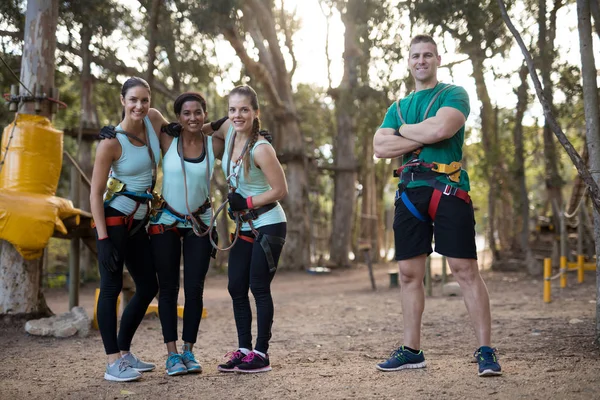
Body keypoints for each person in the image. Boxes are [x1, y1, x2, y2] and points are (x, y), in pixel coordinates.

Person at [372, 35, 502, 377]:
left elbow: (444, 127)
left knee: (464, 271)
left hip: (448, 189)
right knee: (408, 274)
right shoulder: (396, 107)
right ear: (409, 61)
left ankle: (485, 350)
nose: (421, 60)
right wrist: (421, 133)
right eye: (415, 55)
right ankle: (412, 350)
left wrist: (401, 133)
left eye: (427, 55)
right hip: (409, 194)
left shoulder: (453, 94)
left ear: (438, 59)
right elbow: (380, 146)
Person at [211, 85, 288, 374]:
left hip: (269, 223)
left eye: (244, 109)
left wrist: (248, 200)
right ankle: (243, 349)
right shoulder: (229, 131)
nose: (237, 115)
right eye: (232, 109)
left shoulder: (261, 148)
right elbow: (206, 126)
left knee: (258, 286)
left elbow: (281, 189)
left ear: (256, 113)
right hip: (244, 224)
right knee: (235, 286)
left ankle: (261, 353)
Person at [146, 92, 223, 376]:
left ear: (204, 114)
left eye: (198, 112)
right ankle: (171, 354)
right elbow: (152, 114)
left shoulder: (213, 144)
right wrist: (172, 126)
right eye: (187, 113)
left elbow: (229, 127)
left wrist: (209, 127)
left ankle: (189, 351)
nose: (193, 117)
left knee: (194, 289)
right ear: (179, 117)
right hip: (166, 221)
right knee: (167, 289)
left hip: (199, 223)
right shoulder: (169, 140)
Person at [90, 76, 162, 382]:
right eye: (133, 99)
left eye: (144, 100)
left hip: (140, 221)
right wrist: (103, 239)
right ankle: (112, 363)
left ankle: (124, 351)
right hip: (115, 220)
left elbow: (187, 130)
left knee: (148, 285)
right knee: (111, 287)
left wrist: (240, 126)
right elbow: (95, 192)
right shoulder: (110, 141)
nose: (139, 105)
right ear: (123, 101)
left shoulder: (154, 120)